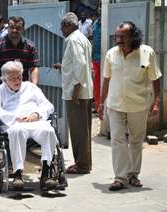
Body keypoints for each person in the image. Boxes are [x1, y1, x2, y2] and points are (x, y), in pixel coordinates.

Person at [98, 21, 161, 191]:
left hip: (138, 105)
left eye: (123, 36)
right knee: (118, 140)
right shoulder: (111, 54)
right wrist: (101, 102)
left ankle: (133, 175)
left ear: (134, 37)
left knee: (136, 140)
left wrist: (156, 102)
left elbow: (155, 79)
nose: (119, 40)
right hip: (115, 104)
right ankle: (120, 178)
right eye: (117, 36)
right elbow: (106, 79)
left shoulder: (147, 53)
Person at [0, 60, 58, 190]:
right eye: (13, 78)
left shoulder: (31, 87)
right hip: (15, 124)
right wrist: (14, 117)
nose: (17, 81)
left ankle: (46, 173)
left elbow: (48, 106)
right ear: (4, 79)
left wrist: (37, 114)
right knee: (17, 132)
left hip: (35, 122)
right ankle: (18, 174)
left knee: (49, 131)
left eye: (19, 77)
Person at [55, 12, 93, 174]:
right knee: (83, 130)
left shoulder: (73, 39)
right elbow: (78, 64)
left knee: (78, 131)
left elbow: (80, 64)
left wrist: (76, 91)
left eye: (62, 27)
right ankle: (84, 162)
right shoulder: (82, 38)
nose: (61, 30)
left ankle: (82, 164)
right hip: (83, 90)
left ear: (67, 26)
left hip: (77, 92)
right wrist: (63, 66)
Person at [0, 16, 39, 96]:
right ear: (8, 29)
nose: (14, 30)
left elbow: (34, 68)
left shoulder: (30, 47)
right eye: (12, 27)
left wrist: (34, 86)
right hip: (1, 91)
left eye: (18, 28)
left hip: (22, 92)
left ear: (23, 29)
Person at [91, 8, 101, 111]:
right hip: (95, 58)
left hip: (105, 59)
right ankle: (98, 106)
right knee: (97, 84)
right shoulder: (95, 24)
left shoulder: (108, 22)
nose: (100, 9)